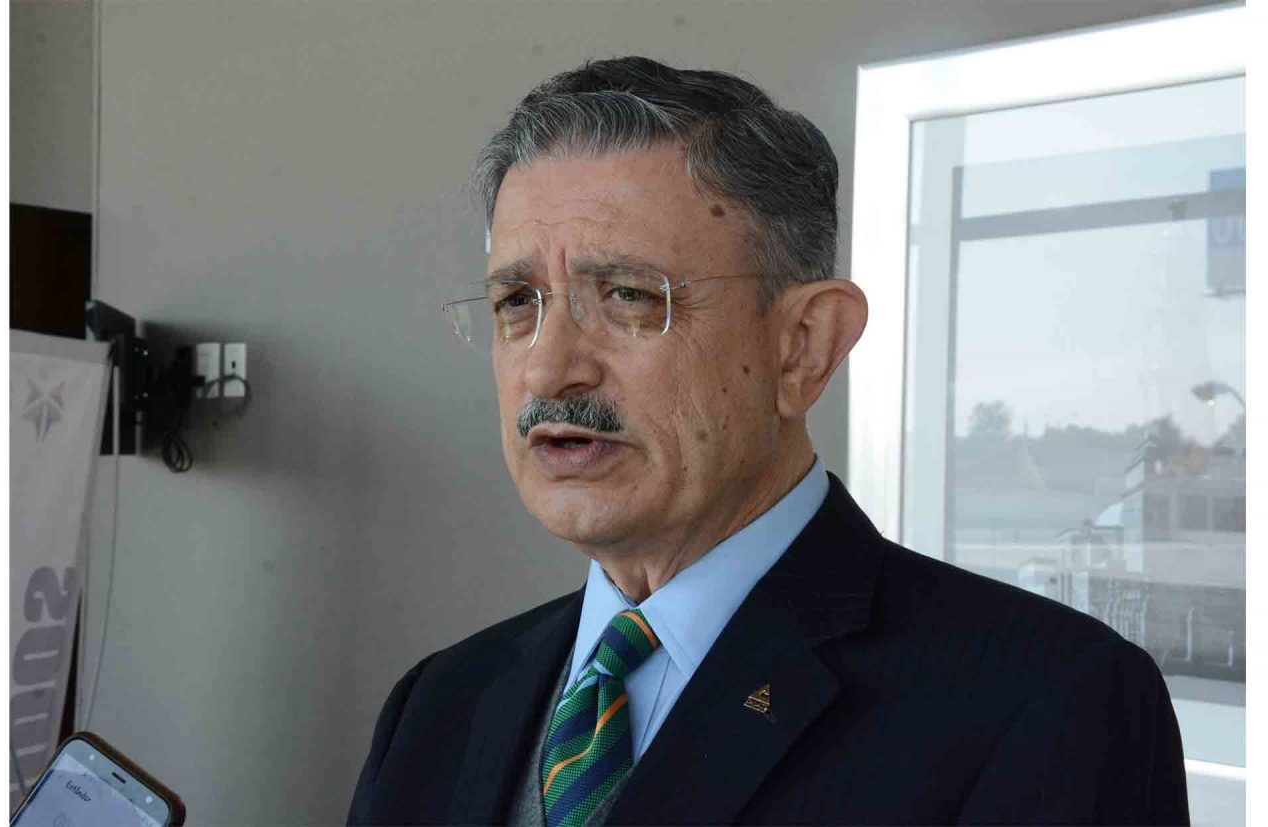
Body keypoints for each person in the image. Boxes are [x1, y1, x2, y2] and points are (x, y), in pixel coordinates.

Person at [347, 56, 1188, 826]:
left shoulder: (1046, 702)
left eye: (629, 295)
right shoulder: (439, 702)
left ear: (803, 347)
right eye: (516, 303)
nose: (548, 369)